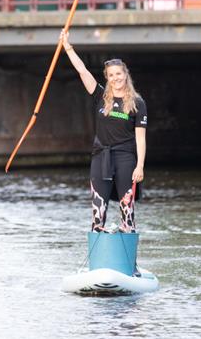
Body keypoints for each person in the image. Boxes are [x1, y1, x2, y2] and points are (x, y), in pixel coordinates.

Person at [61, 30, 147, 233]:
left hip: (126, 157)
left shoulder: (137, 103)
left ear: (125, 74)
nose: (116, 78)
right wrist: (67, 47)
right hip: (101, 156)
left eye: (119, 74)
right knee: (98, 209)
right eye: (111, 75)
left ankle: (127, 240)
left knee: (127, 208)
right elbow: (82, 71)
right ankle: (99, 240)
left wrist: (140, 166)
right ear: (107, 78)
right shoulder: (100, 95)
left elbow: (140, 138)